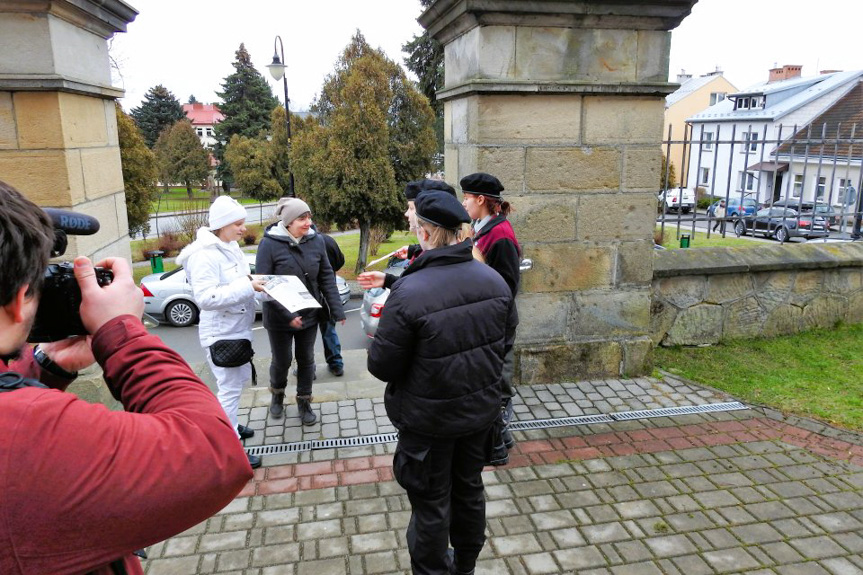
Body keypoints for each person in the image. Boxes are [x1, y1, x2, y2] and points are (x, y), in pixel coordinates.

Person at [0, 180, 253, 574]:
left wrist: (45, 368)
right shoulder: (23, 433)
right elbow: (213, 453)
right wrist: (121, 332)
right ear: (20, 301)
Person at [369, 191, 517, 575]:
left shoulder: (409, 291)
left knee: (432, 504)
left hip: (428, 424)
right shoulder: (493, 281)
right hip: (476, 416)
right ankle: (465, 566)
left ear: (426, 233)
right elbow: (504, 345)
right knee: (468, 491)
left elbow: (382, 365)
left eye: (416, 225)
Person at [176, 195, 268, 469]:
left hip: (237, 329)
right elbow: (206, 298)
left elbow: (239, 283)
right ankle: (230, 448)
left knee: (237, 382)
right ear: (222, 224)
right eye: (238, 223)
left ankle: (233, 425)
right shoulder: (204, 256)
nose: (243, 229)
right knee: (228, 389)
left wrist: (261, 287)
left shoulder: (230, 247)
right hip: (221, 333)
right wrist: (248, 287)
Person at [256, 198, 346, 425]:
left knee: (306, 360)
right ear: (287, 222)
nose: (308, 223)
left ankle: (304, 402)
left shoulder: (316, 242)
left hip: (309, 314)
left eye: (309, 217)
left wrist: (337, 310)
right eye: (302, 218)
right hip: (279, 317)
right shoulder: (269, 244)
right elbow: (265, 284)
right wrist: (289, 316)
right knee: (282, 360)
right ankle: (277, 395)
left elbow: (326, 276)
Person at [460, 172, 522, 462]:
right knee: (490, 380)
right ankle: (502, 439)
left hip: (498, 323)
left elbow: (508, 288)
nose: (464, 203)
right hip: (487, 321)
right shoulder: (480, 227)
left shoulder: (501, 235)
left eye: (467, 198)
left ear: (481, 200)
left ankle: (498, 448)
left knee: (498, 384)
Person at [357, 178, 458, 292]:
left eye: (410, 208)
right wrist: (414, 250)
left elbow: (417, 291)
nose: (406, 214)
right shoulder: (455, 255)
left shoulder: (435, 267)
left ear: (426, 213)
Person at [319, 230, 346, 377]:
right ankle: (336, 364)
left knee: (305, 336)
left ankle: (306, 368)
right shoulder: (328, 240)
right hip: (328, 293)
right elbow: (340, 261)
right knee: (329, 330)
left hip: (308, 293)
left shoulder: (302, 243)